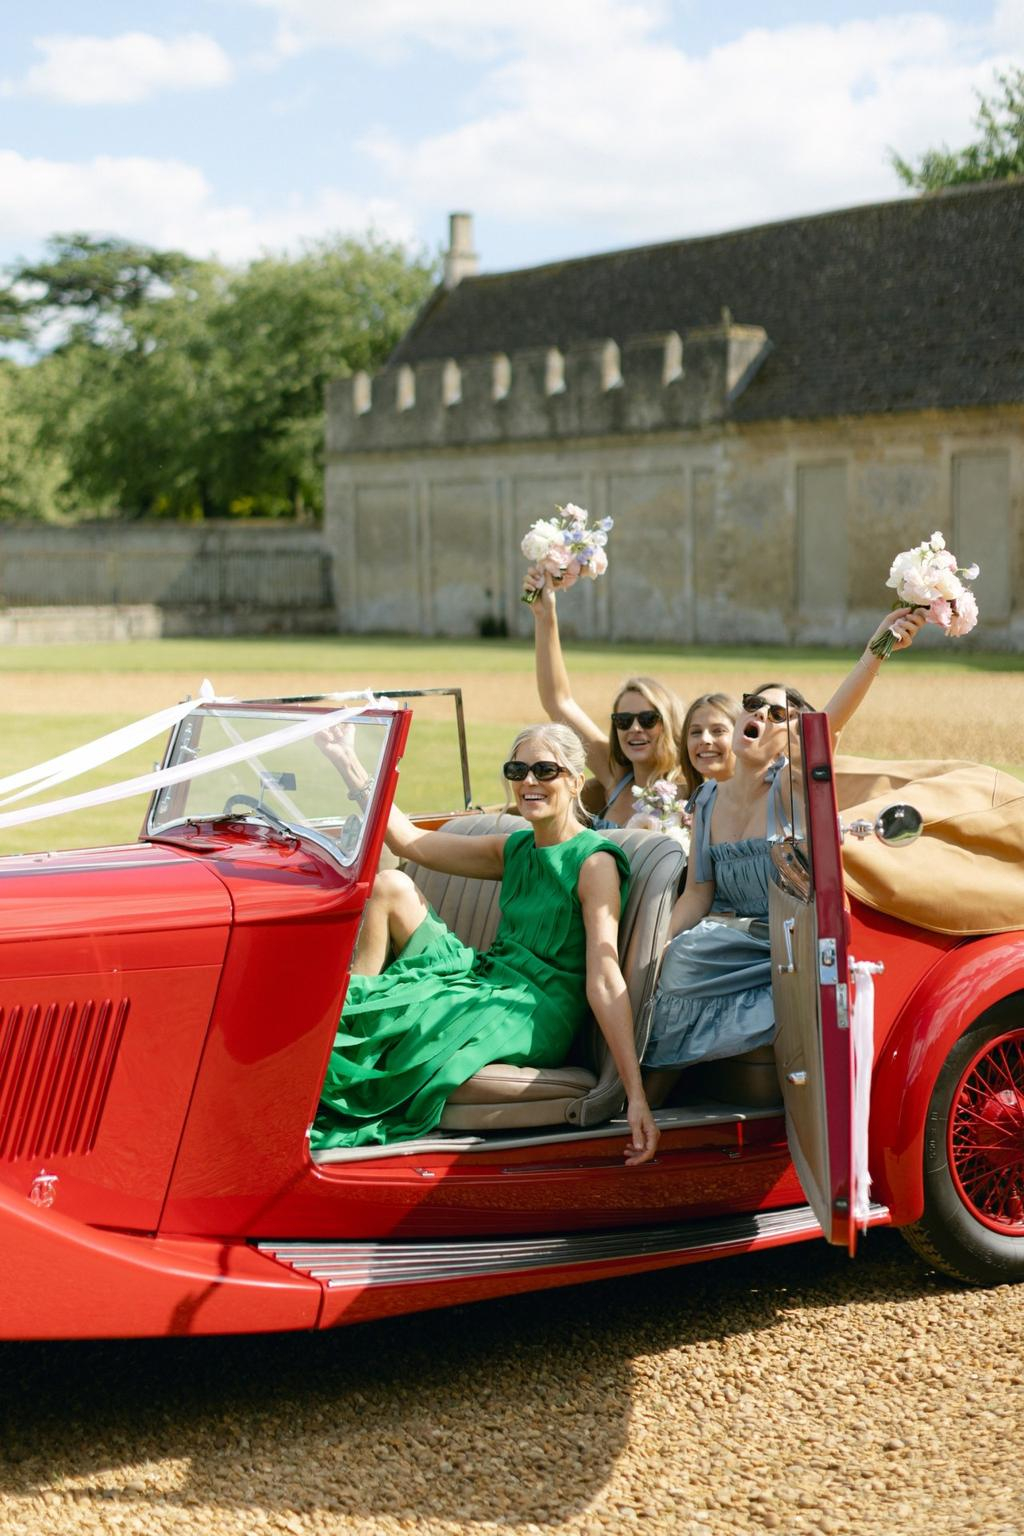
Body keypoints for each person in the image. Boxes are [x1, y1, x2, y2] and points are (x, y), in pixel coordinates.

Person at [312, 720, 659, 1162]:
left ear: (574, 781)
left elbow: (605, 978)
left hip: (534, 1009)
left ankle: (336, 1071)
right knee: (389, 886)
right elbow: (411, 841)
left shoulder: (594, 863)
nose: (529, 781)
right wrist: (348, 761)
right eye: (517, 771)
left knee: (416, 1012)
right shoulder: (516, 848)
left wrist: (635, 1095)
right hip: (489, 978)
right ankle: (347, 1017)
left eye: (544, 771)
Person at [643, 608, 928, 1103]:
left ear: (790, 740)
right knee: (669, 958)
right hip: (730, 941)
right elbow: (698, 893)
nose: (760, 716)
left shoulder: (790, 785)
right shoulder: (708, 796)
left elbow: (828, 724)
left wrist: (874, 653)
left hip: (790, 943)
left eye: (779, 715)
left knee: (686, 961)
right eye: (754, 705)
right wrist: (650, 946)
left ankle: (648, 1100)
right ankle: (647, 1100)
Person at [525, 569, 687, 828]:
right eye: (623, 720)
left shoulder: (692, 787)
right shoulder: (615, 776)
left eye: (647, 719)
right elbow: (557, 701)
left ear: (667, 723)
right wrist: (545, 616)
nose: (634, 728)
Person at [680, 692, 740, 802]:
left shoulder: (768, 799)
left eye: (718, 731)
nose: (704, 739)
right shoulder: (680, 803)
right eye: (696, 732)